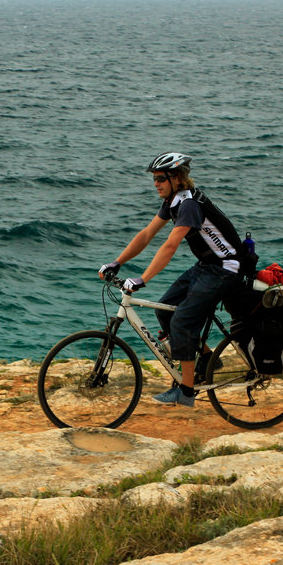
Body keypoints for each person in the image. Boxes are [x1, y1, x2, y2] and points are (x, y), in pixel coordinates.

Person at [98, 151, 248, 407]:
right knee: (165, 311)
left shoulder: (188, 204)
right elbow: (146, 234)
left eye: (160, 178)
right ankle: (207, 359)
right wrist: (117, 262)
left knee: (181, 322)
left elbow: (170, 245)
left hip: (226, 269)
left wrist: (143, 278)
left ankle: (187, 392)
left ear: (177, 178)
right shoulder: (173, 201)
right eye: (154, 179)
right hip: (207, 265)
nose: (155, 183)